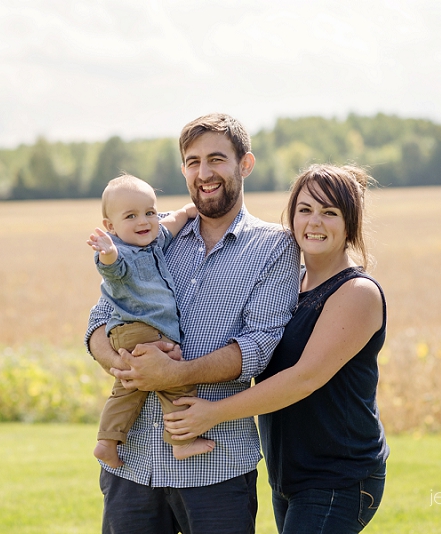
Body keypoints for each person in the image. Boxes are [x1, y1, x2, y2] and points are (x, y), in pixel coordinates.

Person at [85, 113, 300, 534]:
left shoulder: (275, 247)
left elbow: (258, 346)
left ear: (245, 164)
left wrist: (175, 372)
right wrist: (120, 363)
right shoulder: (151, 231)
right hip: (133, 466)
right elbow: (99, 319)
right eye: (193, 161)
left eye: (217, 159)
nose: (204, 173)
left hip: (216, 467)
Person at [164, 164, 390, 533]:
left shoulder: (357, 293)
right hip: (290, 474)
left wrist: (212, 413)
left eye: (330, 213)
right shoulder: (290, 282)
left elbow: (303, 379)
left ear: (350, 223)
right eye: (305, 210)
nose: (314, 222)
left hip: (339, 476)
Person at [87, 174, 215, 468]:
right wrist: (108, 252)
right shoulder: (123, 254)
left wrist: (185, 213)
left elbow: (169, 226)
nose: (143, 221)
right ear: (110, 226)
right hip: (138, 330)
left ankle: (107, 441)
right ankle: (181, 443)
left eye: (150, 212)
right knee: (175, 381)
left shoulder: (153, 242)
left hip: (138, 332)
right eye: (130, 216)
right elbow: (111, 266)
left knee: (129, 388)